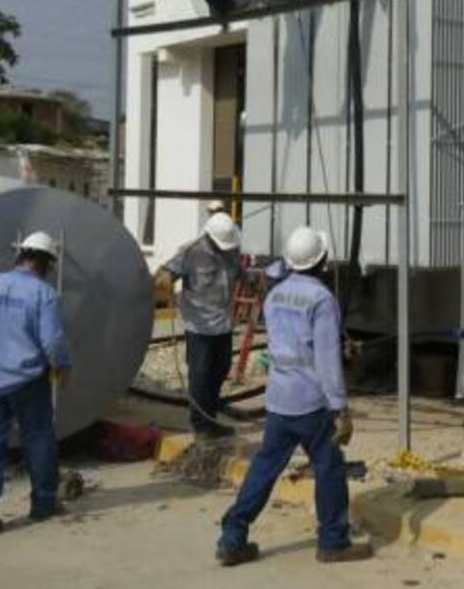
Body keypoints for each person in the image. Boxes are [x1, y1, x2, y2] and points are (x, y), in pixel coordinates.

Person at [217, 226, 370, 566]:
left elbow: (289, 342)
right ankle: (333, 541)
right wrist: (340, 408)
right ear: (323, 261)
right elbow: (327, 361)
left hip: (279, 400)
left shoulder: (276, 295)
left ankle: (232, 536)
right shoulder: (321, 299)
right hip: (312, 402)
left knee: (263, 470)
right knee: (329, 469)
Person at [0, 232, 71, 530]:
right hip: (27, 379)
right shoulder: (43, 294)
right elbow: (52, 340)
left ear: (21, 255)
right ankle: (43, 504)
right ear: (46, 263)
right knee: (39, 439)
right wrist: (63, 365)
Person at [156, 212, 242, 439]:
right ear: (210, 237)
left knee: (220, 370)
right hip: (199, 328)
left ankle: (210, 419)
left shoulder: (232, 249)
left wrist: (251, 281)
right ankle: (201, 426)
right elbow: (164, 274)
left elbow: (239, 273)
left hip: (223, 325)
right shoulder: (190, 252)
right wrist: (164, 281)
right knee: (200, 375)